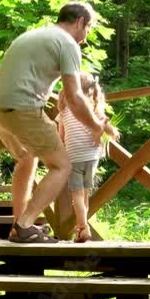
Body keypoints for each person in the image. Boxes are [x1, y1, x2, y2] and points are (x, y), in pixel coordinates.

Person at [0, 1, 119, 243]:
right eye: (88, 29)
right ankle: (25, 226)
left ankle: (19, 224)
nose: (86, 38)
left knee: (26, 157)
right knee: (62, 166)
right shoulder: (67, 43)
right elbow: (75, 97)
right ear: (80, 22)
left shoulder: (33, 35)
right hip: (22, 107)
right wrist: (96, 126)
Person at [57, 71, 114, 243]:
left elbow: (61, 136)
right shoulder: (93, 109)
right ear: (91, 90)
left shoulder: (64, 110)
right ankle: (83, 227)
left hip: (74, 156)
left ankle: (83, 227)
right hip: (92, 156)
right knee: (85, 194)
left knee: (77, 196)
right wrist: (113, 133)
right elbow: (106, 126)